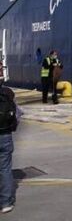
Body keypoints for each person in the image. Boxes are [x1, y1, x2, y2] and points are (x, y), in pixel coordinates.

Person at [0, 77, 18, 214]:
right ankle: (6, 203)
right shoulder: (7, 93)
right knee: (5, 169)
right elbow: (18, 113)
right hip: (5, 135)